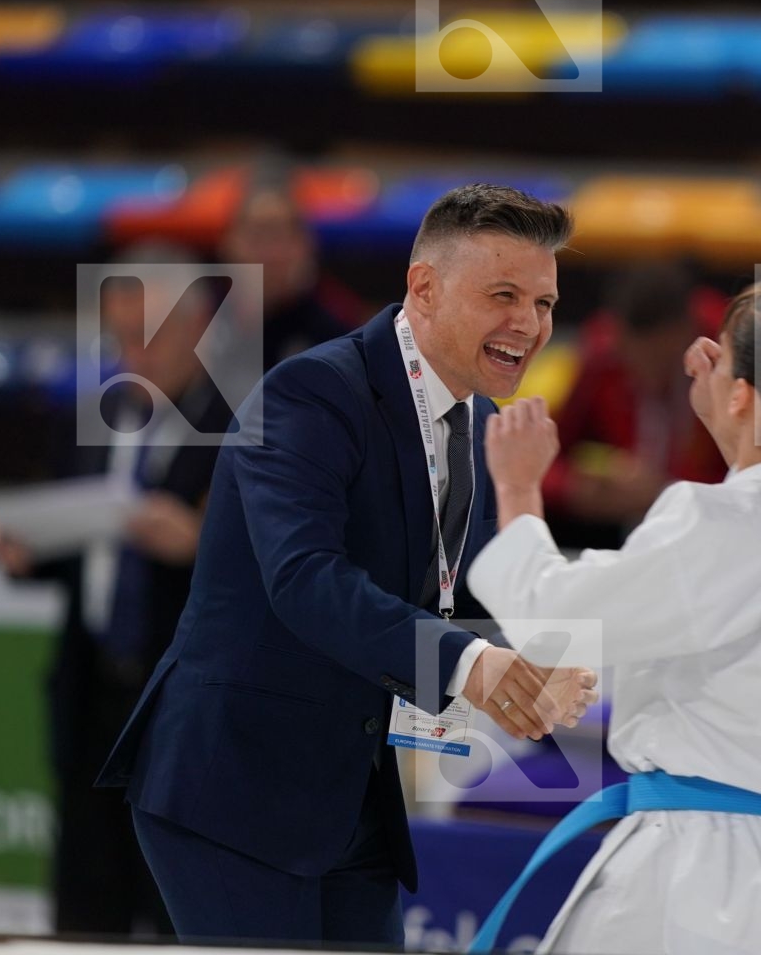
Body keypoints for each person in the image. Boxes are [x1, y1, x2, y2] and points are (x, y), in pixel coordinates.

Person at [94, 184, 600, 946]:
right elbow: (306, 581)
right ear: (424, 288)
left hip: (349, 796)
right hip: (232, 791)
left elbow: (466, 594)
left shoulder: (481, 423)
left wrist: (531, 666)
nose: (529, 324)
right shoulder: (309, 394)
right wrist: (474, 668)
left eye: (544, 303)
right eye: (503, 295)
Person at [465, 275, 761, 955]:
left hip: (695, 885)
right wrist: (736, 411)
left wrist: (516, 487)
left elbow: (551, 621)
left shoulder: (715, 524)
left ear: (743, 393)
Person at [0, 249, 230, 938]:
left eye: (150, 334)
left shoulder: (241, 426)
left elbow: (280, 569)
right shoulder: (89, 417)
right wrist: (24, 552)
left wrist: (200, 546)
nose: (133, 353)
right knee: (85, 905)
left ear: (197, 328)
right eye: (122, 335)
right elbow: (74, 551)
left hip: (183, 700)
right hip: (90, 689)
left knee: (178, 902)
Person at [542, 261, 726, 547]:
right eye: (632, 359)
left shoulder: (729, 356)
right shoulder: (602, 356)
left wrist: (666, 489)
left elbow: (758, 475)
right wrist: (578, 488)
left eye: (659, 360)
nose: (645, 373)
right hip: (621, 525)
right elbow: (547, 455)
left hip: (711, 524)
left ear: (687, 333)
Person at [216, 164, 363, 368]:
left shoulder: (340, 325)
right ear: (228, 244)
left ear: (307, 245)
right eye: (256, 236)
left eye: (280, 236)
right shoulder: (200, 319)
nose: (270, 254)